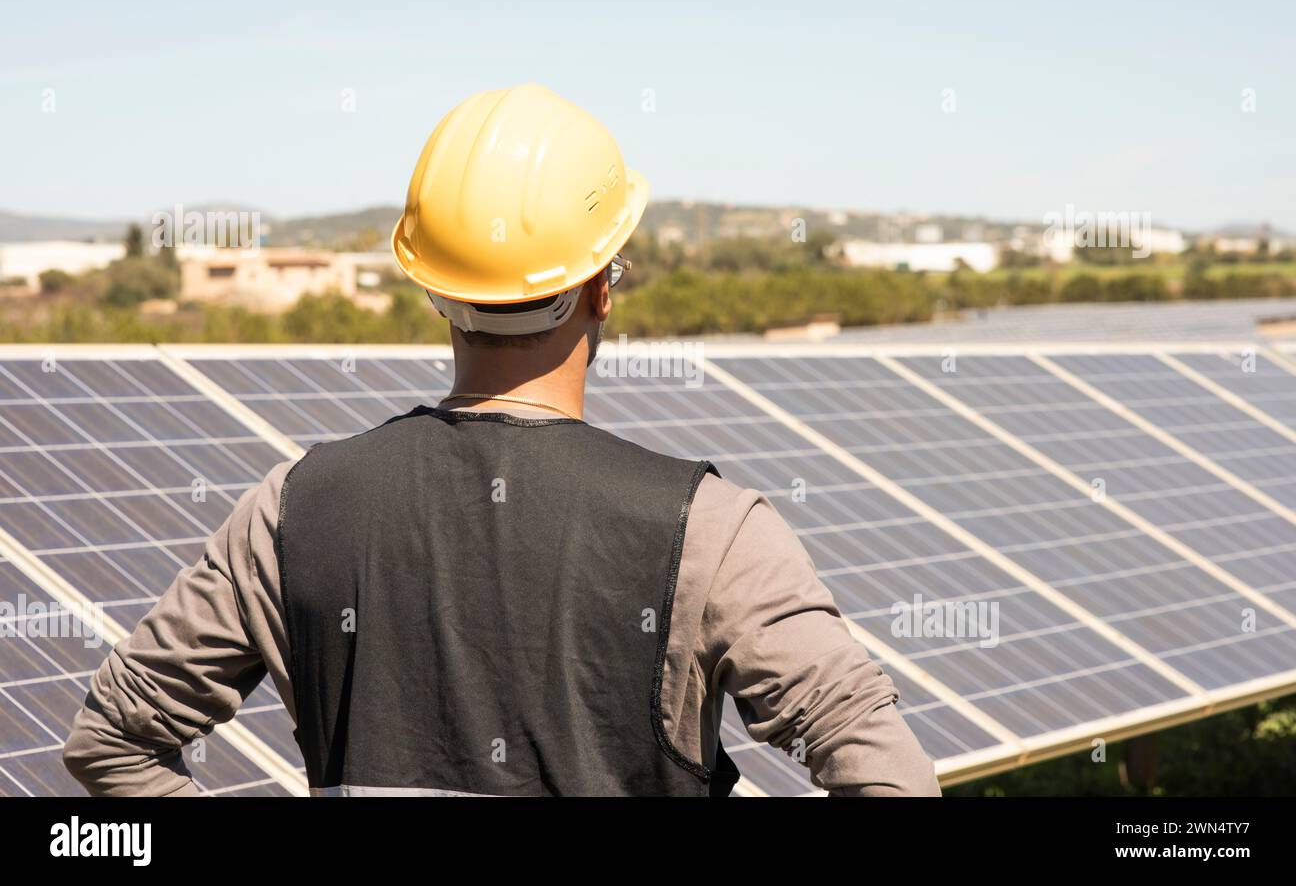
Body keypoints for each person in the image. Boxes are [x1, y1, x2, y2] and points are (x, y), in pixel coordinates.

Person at [64, 84, 940, 797]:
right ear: (603, 288)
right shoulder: (713, 533)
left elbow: (110, 743)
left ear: (434, 292)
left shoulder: (290, 512)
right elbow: (891, 777)